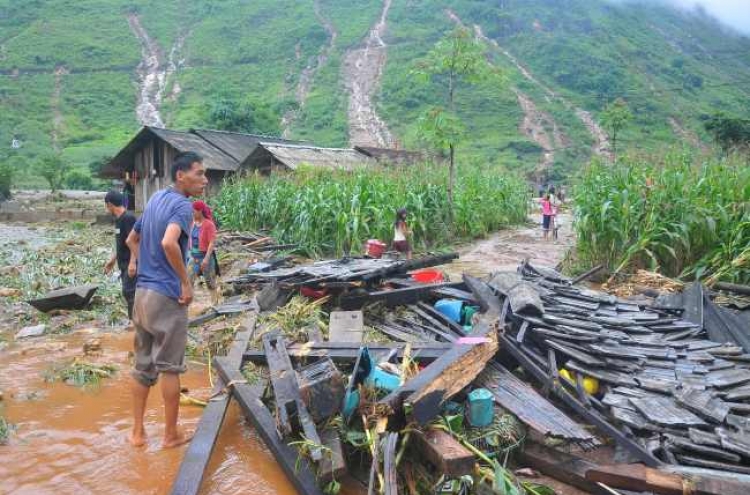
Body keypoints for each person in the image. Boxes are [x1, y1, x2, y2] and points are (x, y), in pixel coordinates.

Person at [125, 151, 207, 449]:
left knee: (142, 366)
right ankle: (171, 435)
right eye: (199, 173)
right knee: (170, 367)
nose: (204, 179)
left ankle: (137, 433)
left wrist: (138, 263)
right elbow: (169, 242)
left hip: (142, 295)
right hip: (165, 296)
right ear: (181, 175)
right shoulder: (182, 206)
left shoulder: (156, 199)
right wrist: (185, 282)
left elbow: (131, 240)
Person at [103, 190, 138, 322]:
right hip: (123, 264)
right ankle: (136, 322)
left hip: (131, 264)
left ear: (110, 204)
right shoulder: (119, 220)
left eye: (106, 205)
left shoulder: (128, 218)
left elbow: (135, 240)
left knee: (130, 292)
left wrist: (133, 263)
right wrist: (112, 261)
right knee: (129, 292)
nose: (106, 208)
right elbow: (122, 243)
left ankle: (135, 323)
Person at [187, 200, 219, 303]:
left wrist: (206, 259)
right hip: (194, 257)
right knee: (188, 280)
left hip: (206, 257)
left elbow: (211, 243)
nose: (192, 213)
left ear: (200, 211)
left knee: (210, 282)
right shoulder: (192, 223)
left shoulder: (209, 225)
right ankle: (188, 305)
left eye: (194, 211)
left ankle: (215, 304)